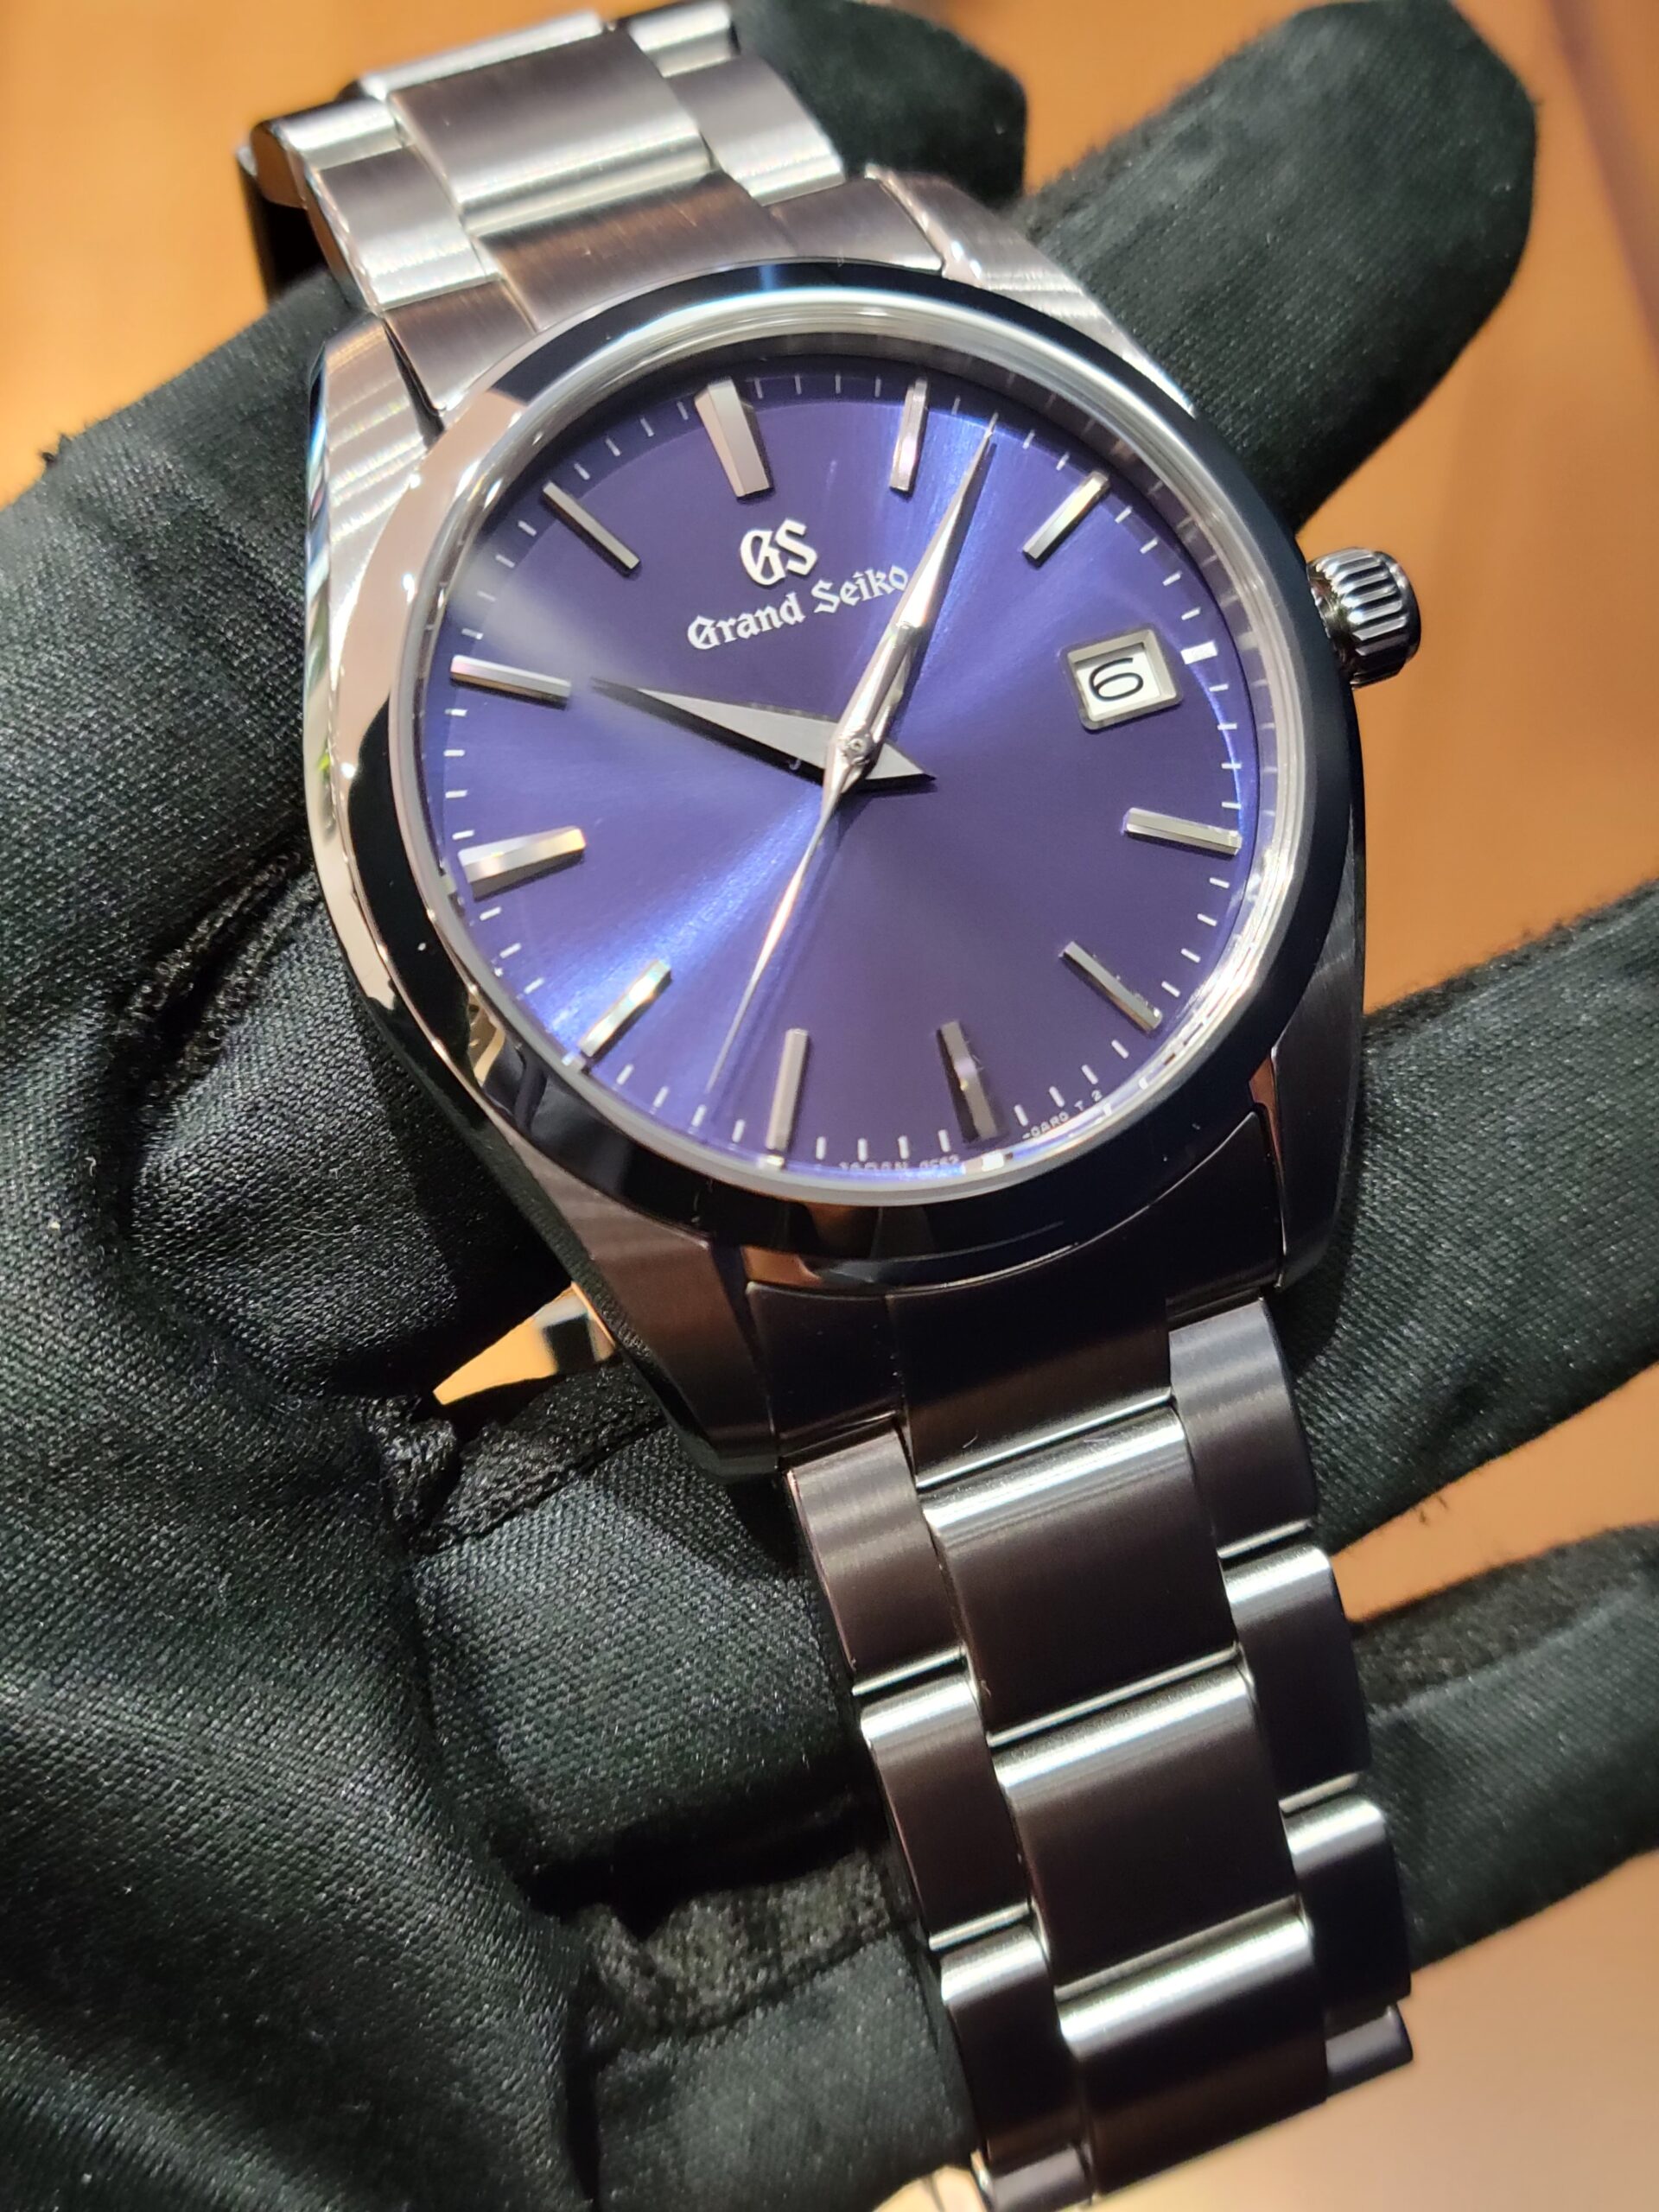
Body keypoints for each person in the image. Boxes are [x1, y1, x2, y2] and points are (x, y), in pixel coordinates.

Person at [0, 3, 1652, 2207]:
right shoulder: (433, 708)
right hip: (796, 1222)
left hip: (1116, 1075)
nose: (852, 761)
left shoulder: (1036, 464)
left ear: (1319, 621)